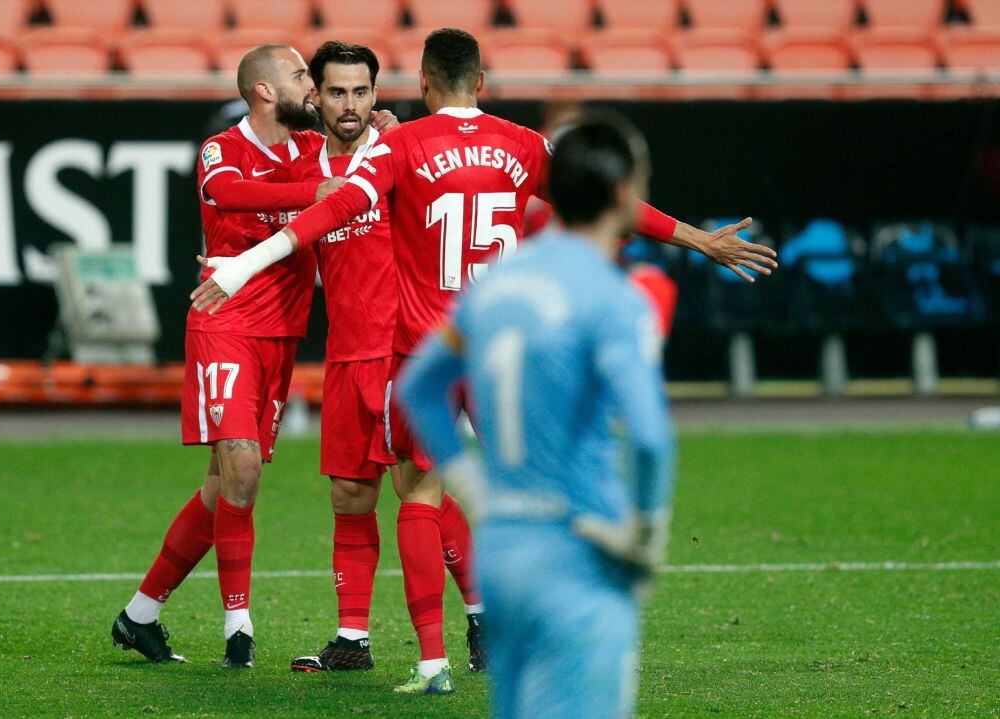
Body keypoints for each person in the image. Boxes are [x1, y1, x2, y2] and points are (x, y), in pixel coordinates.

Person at [189, 29, 774, 693]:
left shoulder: (399, 146)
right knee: (527, 493)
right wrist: (700, 240)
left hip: (426, 348)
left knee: (422, 491)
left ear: (423, 87)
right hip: (503, 353)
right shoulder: (523, 145)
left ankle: (436, 657)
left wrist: (243, 264)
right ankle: (540, 626)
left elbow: (331, 211)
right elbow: (606, 202)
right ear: (483, 83)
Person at [110, 43, 395, 669]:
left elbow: (368, 148)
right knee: (242, 472)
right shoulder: (223, 149)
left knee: (221, 487)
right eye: (301, 77)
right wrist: (315, 188)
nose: (315, 90)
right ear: (266, 90)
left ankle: (140, 614)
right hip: (226, 324)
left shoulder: (314, 145)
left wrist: (385, 126)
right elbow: (230, 194)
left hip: (282, 334)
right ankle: (238, 629)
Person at [399, 114, 676, 719]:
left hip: (503, 549)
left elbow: (418, 389)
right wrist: (648, 533)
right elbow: (651, 439)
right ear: (625, 194)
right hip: (580, 545)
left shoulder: (496, 286)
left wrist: (471, 484)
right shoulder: (613, 296)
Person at [278, 41, 486, 675]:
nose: (350, 105)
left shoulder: (399, 154)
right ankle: (353, 639)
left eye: (362, 92)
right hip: (345, 352)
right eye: (337, 92)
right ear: (315, 95)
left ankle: (483, 617)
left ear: (377, 92)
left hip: (401, 351)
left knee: (416, 489)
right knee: (349, 494)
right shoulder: (303, 165)